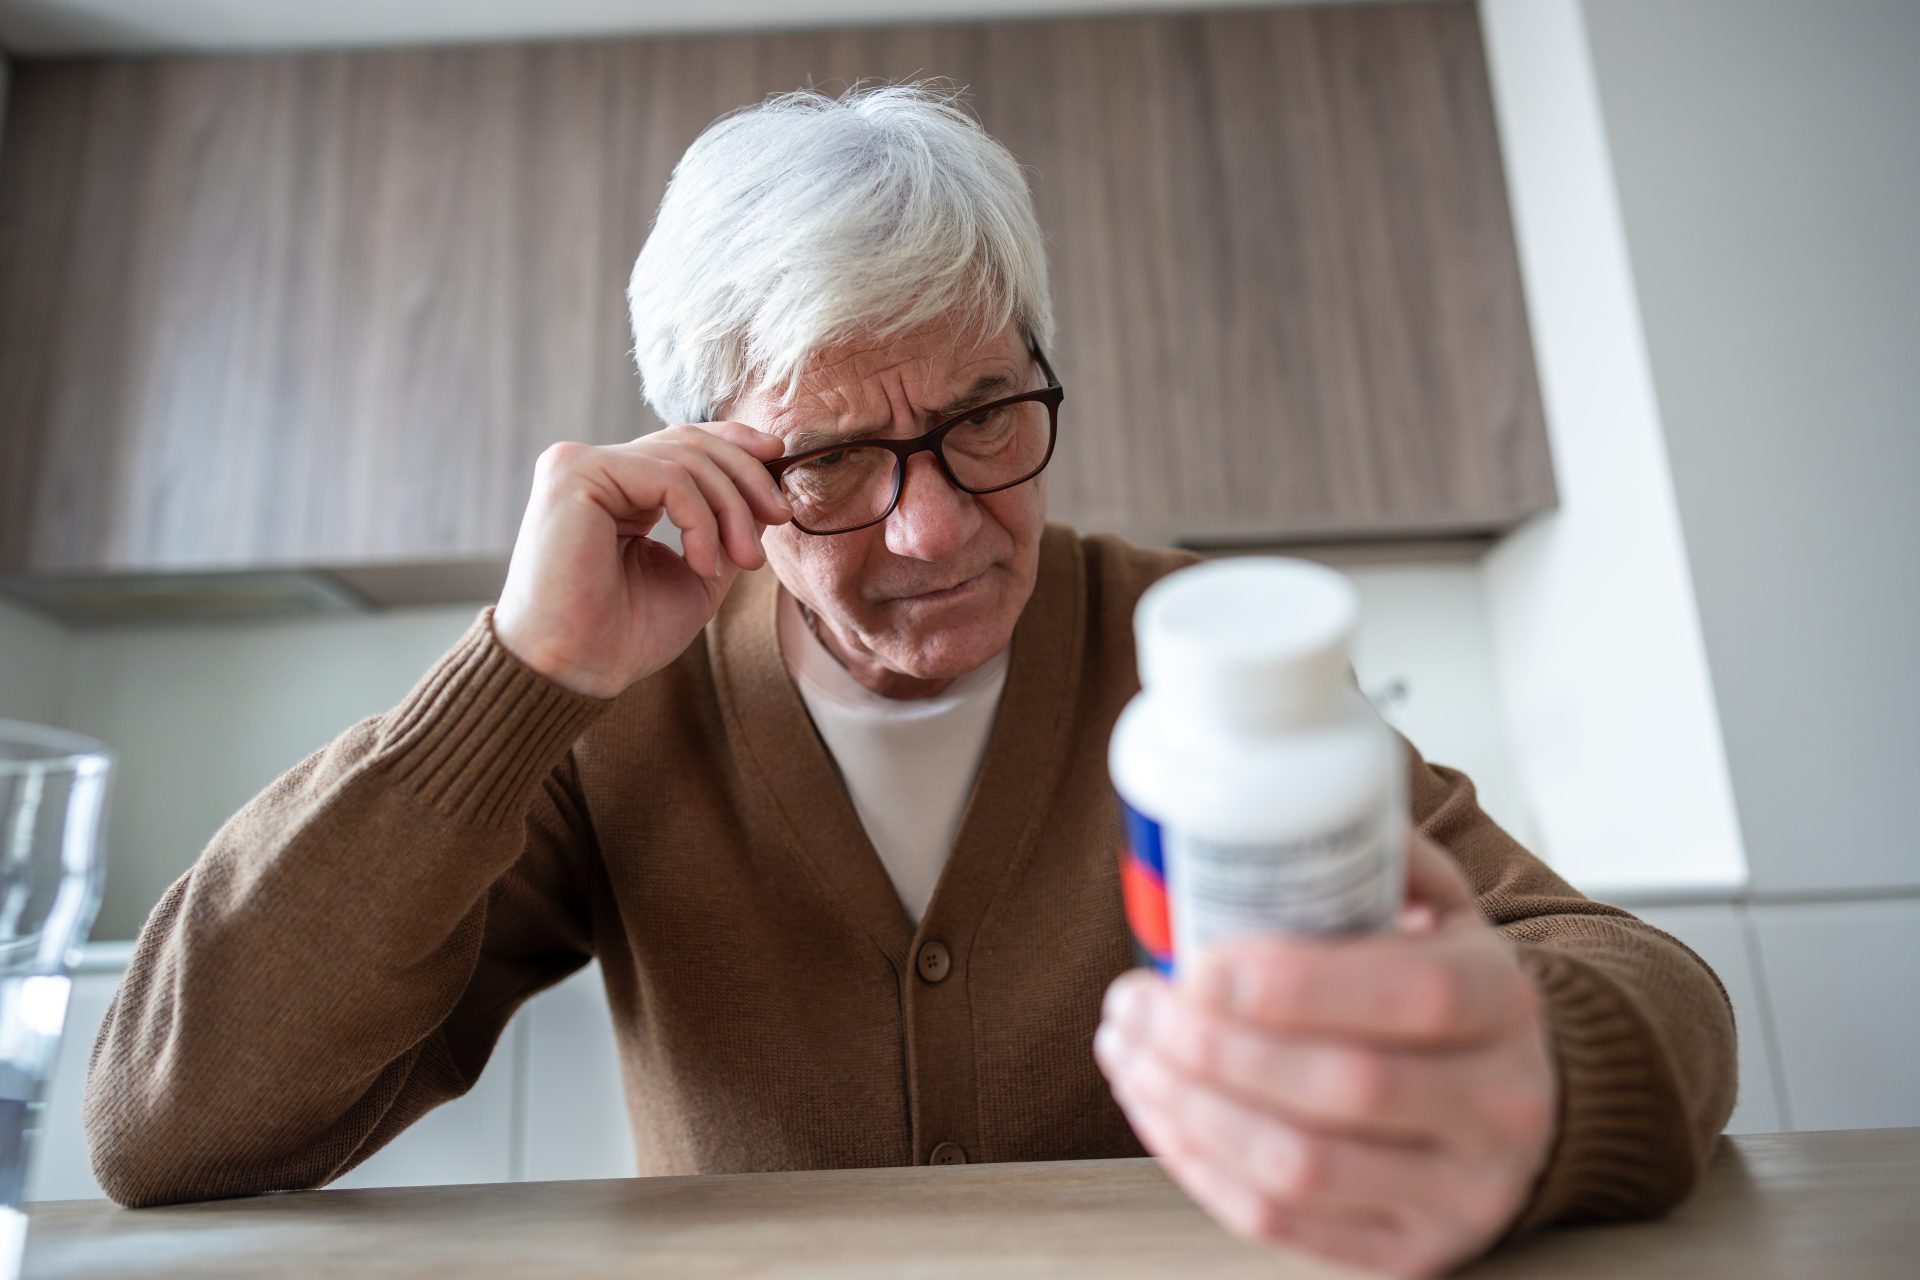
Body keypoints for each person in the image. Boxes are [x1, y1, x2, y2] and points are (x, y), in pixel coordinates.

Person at [82, 82, 1736, 1277]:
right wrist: (521, 673)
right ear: (706, 461)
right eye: (832, 459)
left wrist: (1523, 1081)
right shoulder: (614, 718)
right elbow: (169, 1128)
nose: (935, 521)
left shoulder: (1199, 648)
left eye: (985, 420)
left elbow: (1627, 975)